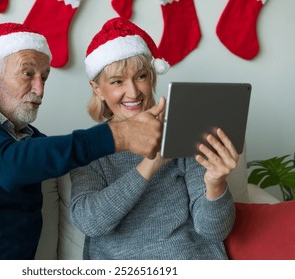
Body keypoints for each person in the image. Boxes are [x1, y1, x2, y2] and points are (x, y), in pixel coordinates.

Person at [0, 22, 166, 260]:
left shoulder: (33, 143)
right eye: (28, 73)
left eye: (44, 77)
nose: (39, 89)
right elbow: (7, 165)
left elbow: (33, 156)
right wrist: (119, 135)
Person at [69, 17, 238, 260]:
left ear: (152, 77)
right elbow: (90, 222)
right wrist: (151, 163)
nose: (133, 92)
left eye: (140, 77)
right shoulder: (89, 147)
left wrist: (215, 183)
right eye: (117, 82)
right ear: (97, 89)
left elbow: (214, 231)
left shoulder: (184, 133)